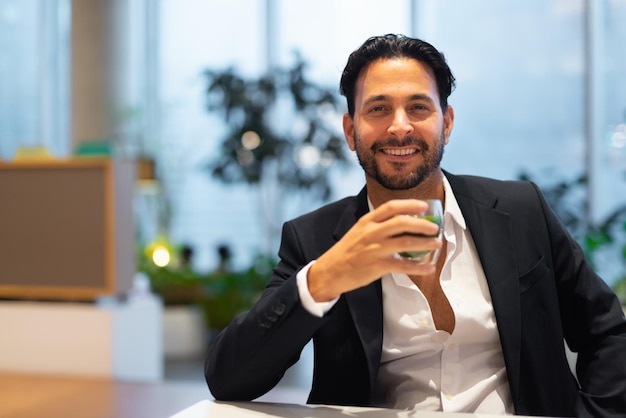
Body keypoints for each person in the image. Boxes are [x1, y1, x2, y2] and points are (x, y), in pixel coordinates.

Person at [205, 34, 626, 417]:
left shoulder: (521, 211)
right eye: (378, 109)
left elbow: (610, 334)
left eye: (418, 107)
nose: (399, 125)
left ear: (447, 122)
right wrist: (325, 278)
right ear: (351, 130)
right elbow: (229, 379)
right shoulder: (314, 238)